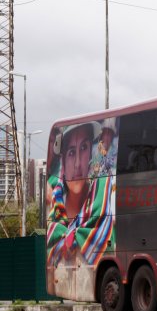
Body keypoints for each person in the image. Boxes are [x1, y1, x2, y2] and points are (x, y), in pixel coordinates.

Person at [46, 121, 116, 300]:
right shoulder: (53, 213)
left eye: (84, 148)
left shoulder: (105, 207)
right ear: (62, 161)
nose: (77, 163)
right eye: (70, 152)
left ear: (91, 155)